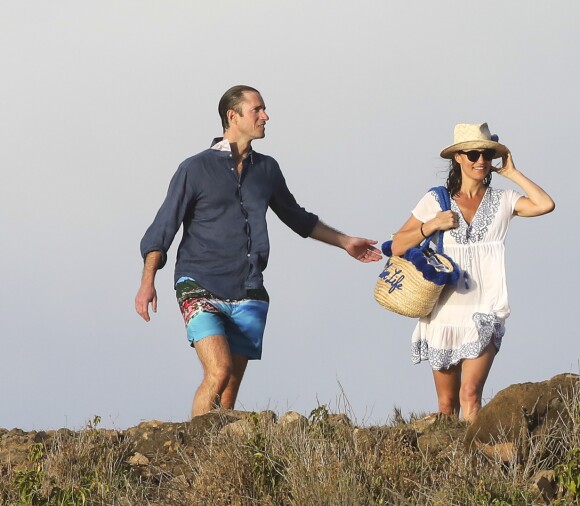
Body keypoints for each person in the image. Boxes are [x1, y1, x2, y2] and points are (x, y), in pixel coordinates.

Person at [135, 85, 381, 417]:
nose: (265, 116)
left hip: (250, 290)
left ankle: (218, 463)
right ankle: (193, 456)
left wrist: (346, 242)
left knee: (228, 395)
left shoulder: (267, 170)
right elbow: (162, 227)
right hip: (199, 284)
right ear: (232, 116)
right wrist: (147, 281)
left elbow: (298, 218)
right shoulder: (194, 169)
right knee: (218, 372)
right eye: (258, 110)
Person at [390, 123, 554, 422]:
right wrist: (432, 225)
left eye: (487, 154)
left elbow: (545, 204)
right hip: (443, 312)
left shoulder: (503, 200)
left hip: (485, 309)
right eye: (474, 153)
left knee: (470, 395)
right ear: (458, 158)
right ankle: (454, 467)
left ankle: (474, 462)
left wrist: (513, 174)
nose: (481, 161)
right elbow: (398, 244)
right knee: (446, 405)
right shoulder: (436, 200)